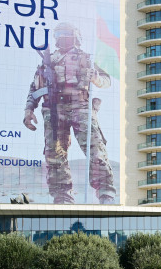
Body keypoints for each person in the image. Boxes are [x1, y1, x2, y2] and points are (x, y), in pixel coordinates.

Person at [24, 21, 116, 204]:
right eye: (58, 34)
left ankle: (105, 192)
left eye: (66, 33)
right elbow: (35, 87)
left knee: (95, 149)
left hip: (80, 106)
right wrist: (29, 110)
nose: (62, 38)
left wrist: (95, 78)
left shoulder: (86, 58)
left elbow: (107, 80)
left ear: (75, 36)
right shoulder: (47, 61)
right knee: (54, 154)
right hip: (53, 109)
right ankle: (62, 195)